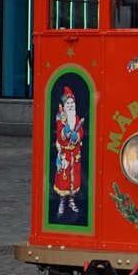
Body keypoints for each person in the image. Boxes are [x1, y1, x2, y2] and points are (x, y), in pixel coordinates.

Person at [53, 87, 85, 217]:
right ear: (64, 105)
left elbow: (81, 132)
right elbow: (60, 136)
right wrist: (65, 133)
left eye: (72, 103)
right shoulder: (61, 118)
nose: (71, 106)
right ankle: (61, 202)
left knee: (75, 177)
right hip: (65, 155)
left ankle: (72, 201)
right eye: (68, 104)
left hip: (75, 154)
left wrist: (76, 136)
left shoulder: (76, 117)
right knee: (63, 178)